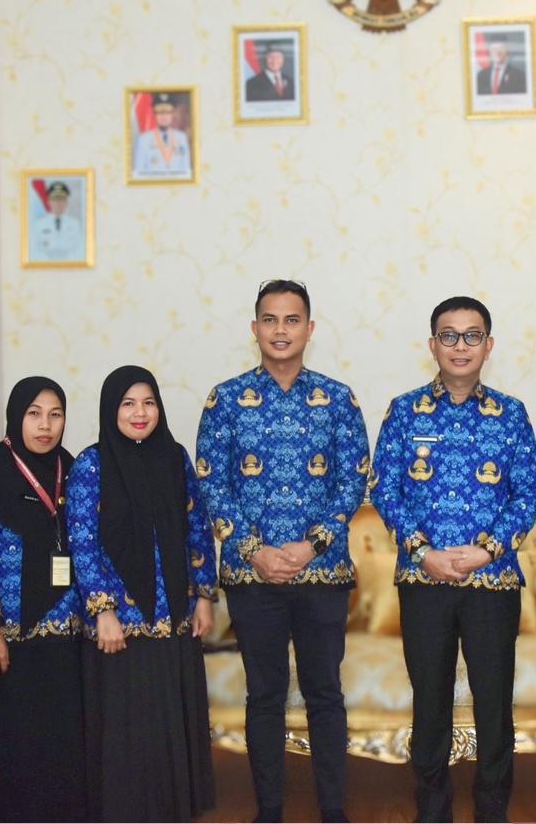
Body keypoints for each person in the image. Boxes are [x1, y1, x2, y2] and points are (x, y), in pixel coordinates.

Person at [196, 280, 369, 823]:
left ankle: (333, 810)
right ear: (254, 329)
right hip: (253, 577)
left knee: (325, 694)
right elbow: (211, 483)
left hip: (323, 573)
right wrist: (254, 551)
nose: (280, 330)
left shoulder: (338, 399)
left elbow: (353, 482)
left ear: (309, 329)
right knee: (264, 696)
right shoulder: (225, 400)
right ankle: (269, 810)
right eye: (269, 319)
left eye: (292, 320)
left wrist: (311, 545)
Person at [371, 296, 536, 822]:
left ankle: (492, 809)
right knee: (430, 703)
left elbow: (528, 493)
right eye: (449, 335)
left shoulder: (511, 414)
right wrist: (423, 552)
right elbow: (385, 490)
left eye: (472, 336)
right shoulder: (405, 411)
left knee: (494, 704)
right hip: (423, 580)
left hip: (492, 581)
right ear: (433, 345)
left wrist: (488, 549)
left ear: (489, 346)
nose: (460, 346)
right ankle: (432, 809)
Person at [68, 366, 217, 821]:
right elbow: (82, 541)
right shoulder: (91, 464)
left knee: (169, 718)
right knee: (127, 724)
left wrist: (204, 595)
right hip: (120, 623)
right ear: (111, 409)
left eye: (148, 402)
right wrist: (103, 611)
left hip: (173, 615)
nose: (140, 412)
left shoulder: (174, 458)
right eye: (128, 403)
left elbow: (197, 527)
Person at [0, 377, 85, 822]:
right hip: (11, 637)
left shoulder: (71, 468)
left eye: (55, 415)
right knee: (15, 743)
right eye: (34, 414)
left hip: (67, 633)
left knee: (64, 741)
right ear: (16, 416)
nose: (45, 426)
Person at [133, 94, 192, 178]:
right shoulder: (143, 140)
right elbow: (139, 173)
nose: (164, 117)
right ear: (155, 115)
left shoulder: (181, 138)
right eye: (160, 113)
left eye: (167, 113)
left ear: (172, 115)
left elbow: (186, 171)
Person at [29, 181, 86, 262]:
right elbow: (34, 251)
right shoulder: (39, 225)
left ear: (66, 202)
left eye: (61, 200)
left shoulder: (75, 225)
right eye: (54, 199)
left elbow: (80, 251)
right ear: (49, 202)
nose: (58, 203)